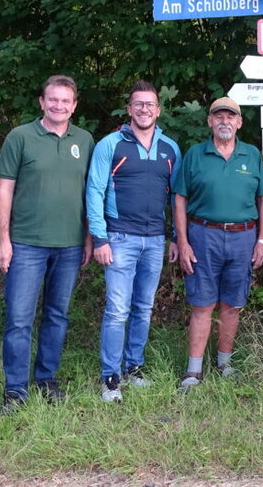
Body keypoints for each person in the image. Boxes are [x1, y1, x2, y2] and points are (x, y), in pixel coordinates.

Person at [0, 75, 94, 415]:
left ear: (74, 105)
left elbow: (89, 194)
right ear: (42, 102)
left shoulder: (85, 140)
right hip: (26, 244)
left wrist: (88, 238)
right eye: (53, 99)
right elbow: (4, 189)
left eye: (66, 101)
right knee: (19, 319)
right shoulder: (20, 137)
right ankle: (15, 391)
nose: (59, 106)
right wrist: (3, 240)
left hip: (69, 245)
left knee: (57, 316)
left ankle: (46, 380)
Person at [86, 80, 181, 402]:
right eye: (138, 104)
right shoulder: (110, 144)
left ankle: (134, 368)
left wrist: (176, 238)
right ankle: (110, 377)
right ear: (129, 109)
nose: (144, 109)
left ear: (158, 109)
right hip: (119, 237)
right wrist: (99, 238)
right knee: (117, 310)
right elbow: (95, 191)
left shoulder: (170, 148)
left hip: (155, 240)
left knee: (144, 308)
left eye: (150, 104)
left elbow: (176, 198)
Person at [173, 97, 263, 389]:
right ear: (210, 122)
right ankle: (193, 371)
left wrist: (262, 240)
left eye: (231, 117)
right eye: (219, 116)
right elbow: (179, 198)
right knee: (202, 303)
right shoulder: (194, 154)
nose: (224, 121)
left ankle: (224, 363)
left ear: (239, 122)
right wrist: (183, 240)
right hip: (204, 235)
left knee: (232, 303)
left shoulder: (251, 155)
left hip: (243, 236)